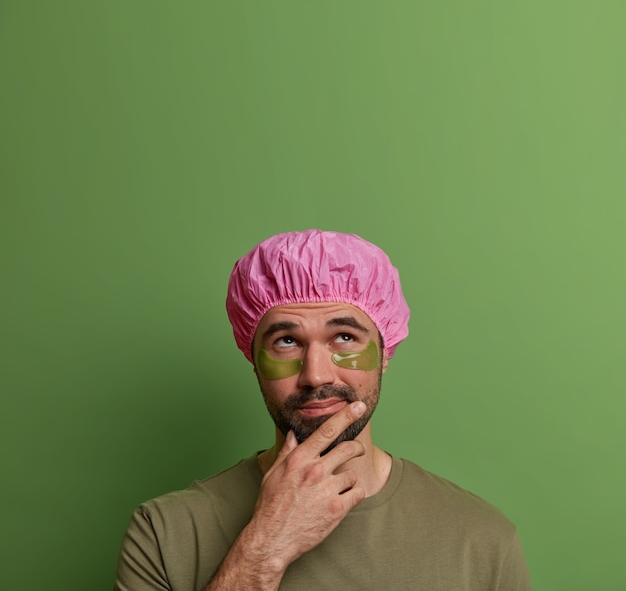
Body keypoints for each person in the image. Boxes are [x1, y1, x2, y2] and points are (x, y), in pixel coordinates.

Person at [114, 229, 531, 590]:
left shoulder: (481, 540)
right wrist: (264, 547)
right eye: (286, 341)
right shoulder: (165, 533)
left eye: (345, 337)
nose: (315, 375)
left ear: (385, 351)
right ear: (252, 357)